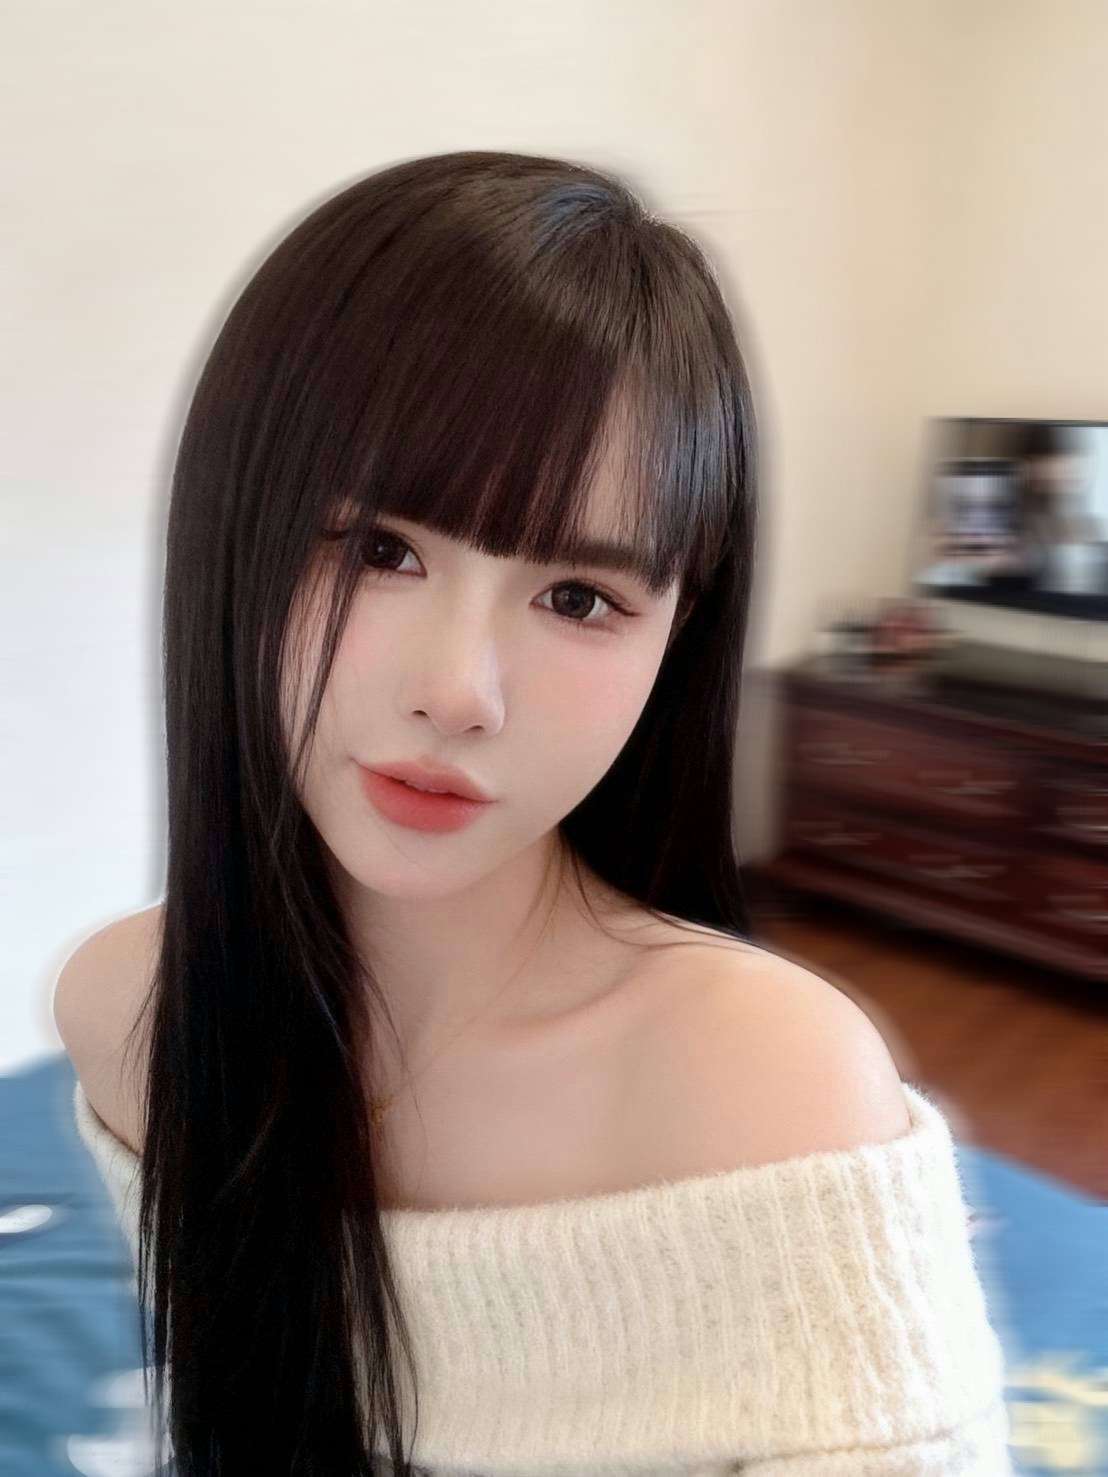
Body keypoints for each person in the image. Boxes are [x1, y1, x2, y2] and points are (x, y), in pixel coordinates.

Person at [53, 151, 1012, 1474]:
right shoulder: (130, 1012)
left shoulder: (768, 1085)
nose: (461, 692)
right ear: (235, 527)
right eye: (379, 548)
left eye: (578, 598)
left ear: (679, 637)